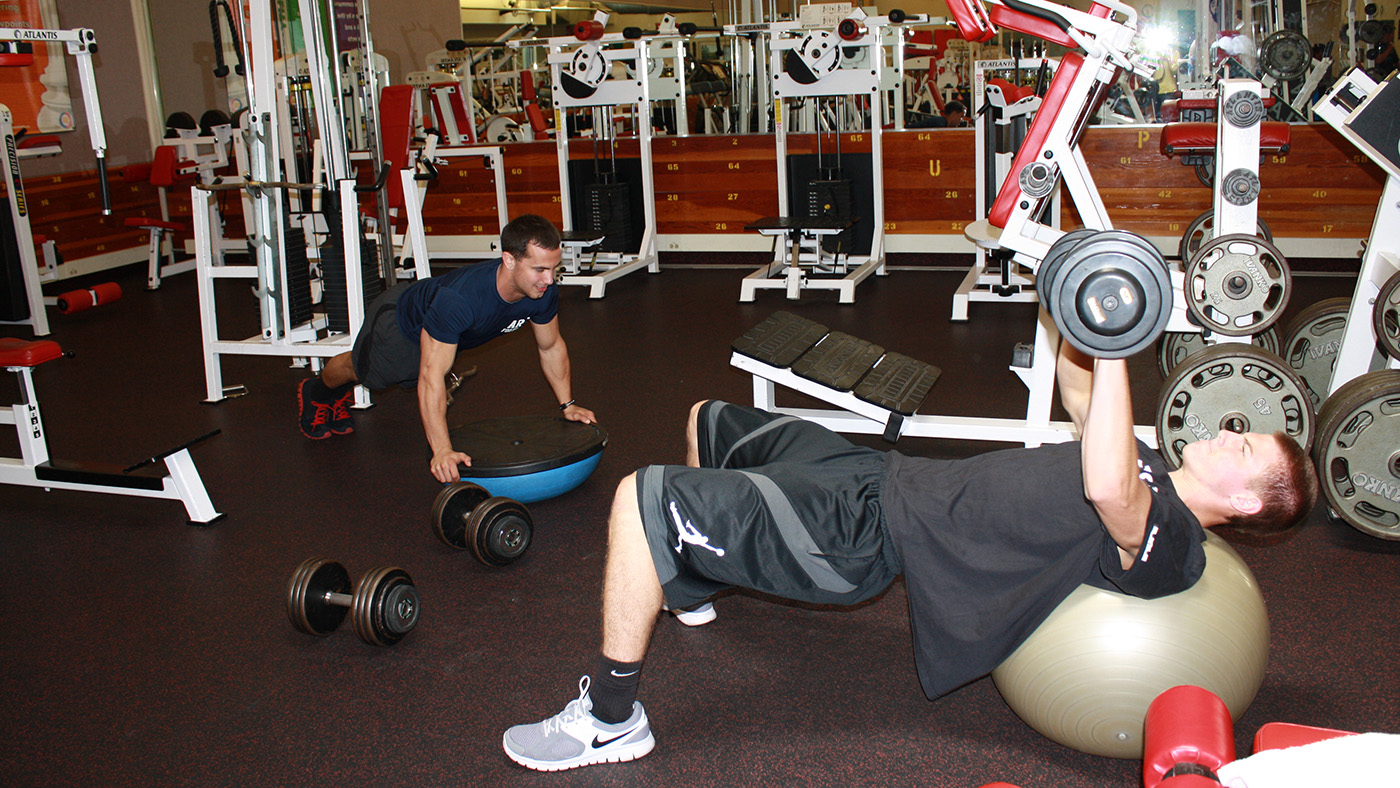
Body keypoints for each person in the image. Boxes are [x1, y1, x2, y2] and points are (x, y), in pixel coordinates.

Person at [500, 339, 1319, 772]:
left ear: (1248, 504)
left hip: (867, 536)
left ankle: (612, 721)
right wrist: (1086, 305)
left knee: (642, 496)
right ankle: (695, 575)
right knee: (714, 417)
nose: (1231, 435)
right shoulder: (1145, 460)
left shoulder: (1171, 537)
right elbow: (1080, 397)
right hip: (877, 474)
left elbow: (1107, 490)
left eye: (1250, 454)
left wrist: (1117, 354)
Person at [296, 214, 596, 482]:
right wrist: (441, 451)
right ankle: (317, 392)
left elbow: (551, 346)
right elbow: (431, 374)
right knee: (363, 372)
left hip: (443, 332)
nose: (549, 279)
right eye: (540, 269)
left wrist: (568, 405)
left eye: (553, 268)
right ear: (508, 260)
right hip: (401, 327)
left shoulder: (542, 292)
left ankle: (332, 392)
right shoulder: (462, 300)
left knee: (418, 370)